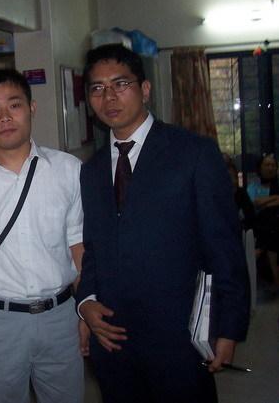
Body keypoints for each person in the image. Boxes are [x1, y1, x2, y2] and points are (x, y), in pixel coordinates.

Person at [76, 44, 250, 403]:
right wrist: (86, 302)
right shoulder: (91, 170)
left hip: (179, 335)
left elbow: (224, 247)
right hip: (114, 339)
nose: (109, 97)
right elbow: (93, 247)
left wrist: (228, 327)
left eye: (120, 84)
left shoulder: (193, 153)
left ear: (145, 89)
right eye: (97, 88)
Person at [0, 69, 86, 403]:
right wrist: (2, 302)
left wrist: (83, 311)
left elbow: (77, 245)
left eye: (14, 105)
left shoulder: (68, 169)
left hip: (60, 316)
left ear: (31, 108)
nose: (5, 117)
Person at [247, 153, 279, 288]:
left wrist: (265, 203)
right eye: (267, 165)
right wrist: (275, 199)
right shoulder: (254, 186)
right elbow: (255, 203)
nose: (270, 168)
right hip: (259, 226)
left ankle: (261, 248)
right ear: (260, 168)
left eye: (273, 165)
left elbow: (261, 203)